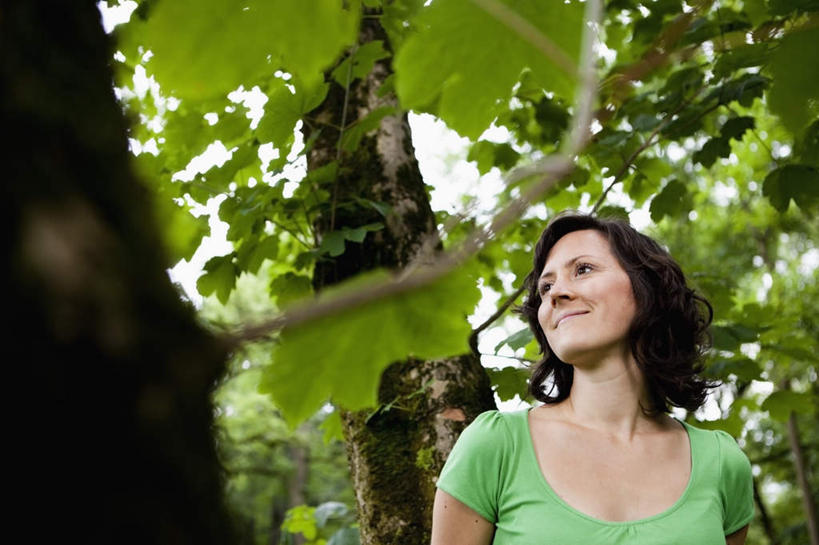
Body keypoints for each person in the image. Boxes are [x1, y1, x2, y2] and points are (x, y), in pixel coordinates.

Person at [430, 212, 754, 545]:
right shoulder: (494, 446)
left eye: (583, 269)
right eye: (546, 287)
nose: (556, 293)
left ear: (648, 288)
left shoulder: (722, 464)